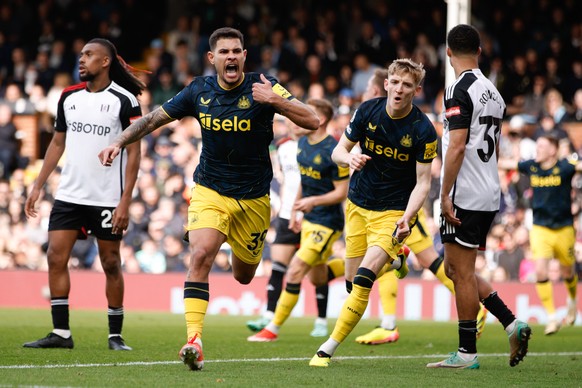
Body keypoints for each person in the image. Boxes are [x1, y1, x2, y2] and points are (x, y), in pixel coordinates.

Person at [98, 27, 319, 371]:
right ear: (212, 58)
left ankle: (239, 256)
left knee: (244, 275)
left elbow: (314, 118)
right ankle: (194, 340)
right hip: (210, 190)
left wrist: (275, 100)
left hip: (254, 199)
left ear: (245, 55)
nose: (231, 57)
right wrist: (120, 141)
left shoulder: (265, 84)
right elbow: (154, 118)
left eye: (237, 51)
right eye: (225, 52)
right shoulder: (198, 91)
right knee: (199, 255)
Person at [309, 58, 438, 367]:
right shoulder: (367, 111)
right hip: (356, 204)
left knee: (365, 279)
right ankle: (395, 262)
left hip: (392, 212)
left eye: (407, 85)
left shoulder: (423, 130)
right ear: (386, 84)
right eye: (395, 82)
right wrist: (349, 159)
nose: (399, 89)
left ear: (416, 90)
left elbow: (423, 183)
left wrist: (407, 217)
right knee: (353, 283)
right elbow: (338, 150)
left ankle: (328, 348)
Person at [23, 38, 145, 351]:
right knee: (55, 257)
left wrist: (125, 200)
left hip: (106, 198)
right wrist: (38, 185)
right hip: (69, 195)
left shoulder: (125, 99)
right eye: (81, 55)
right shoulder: (68, 96)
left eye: (89, 55)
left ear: (105, 62)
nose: (82, 60)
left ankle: (115, 335)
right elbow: (57, 143)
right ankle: (61, 333)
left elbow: (134, 153)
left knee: (111, 263)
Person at [354, 68, 488, 346]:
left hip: (399, 206)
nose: (367, 93)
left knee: (430, 260)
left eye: (369, 89)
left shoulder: (408, 124)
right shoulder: (372, 118)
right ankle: (389, 321)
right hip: (384, 203)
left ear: (380, 90)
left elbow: (421, 174)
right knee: (413, 258)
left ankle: (475, 305)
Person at [426, 24, 531, 370]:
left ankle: (467, 352)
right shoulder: (493, 92)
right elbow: (495, 147)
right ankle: (511, 323)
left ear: (448, 52)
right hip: (487, 190)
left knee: (460, 272)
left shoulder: (458, 88)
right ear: (480, 52)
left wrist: (444, 194)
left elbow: (456, 146)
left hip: (464, 193)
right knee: (460, 270)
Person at [247, 98, 348, 343]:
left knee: (294, 271)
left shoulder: (334, 150)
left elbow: (341, 192)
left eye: (305, 114)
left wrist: (312, 203)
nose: (296, 118)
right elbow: (305, 180)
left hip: (327, 221)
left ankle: (273, 327)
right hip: (308, 218)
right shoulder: (302, 144)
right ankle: (379, 265)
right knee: (317, 276)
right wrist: (295, 210)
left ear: (320, 120)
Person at [499, 135, 580, 334]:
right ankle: (552, 317)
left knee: (567, 272)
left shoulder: (566, 167)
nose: (538, 149)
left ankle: (572, 301)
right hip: (540, 228)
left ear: (553, 150)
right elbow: (504, 163)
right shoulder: (530, 166)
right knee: (541, 271)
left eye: (542, 146)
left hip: (564, 229)